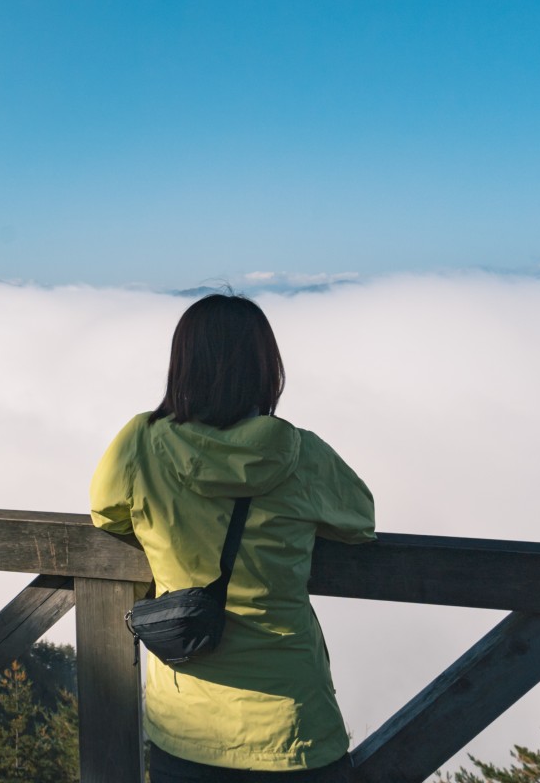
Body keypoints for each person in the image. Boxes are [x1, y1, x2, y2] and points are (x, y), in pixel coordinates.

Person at [89, 293, 375, 781]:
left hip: (185, 727)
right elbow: (359, 521)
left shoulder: (140, 441)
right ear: (265, 369)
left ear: (183, 365)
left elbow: (106, 514)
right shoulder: (300, 453)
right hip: (292, 729)